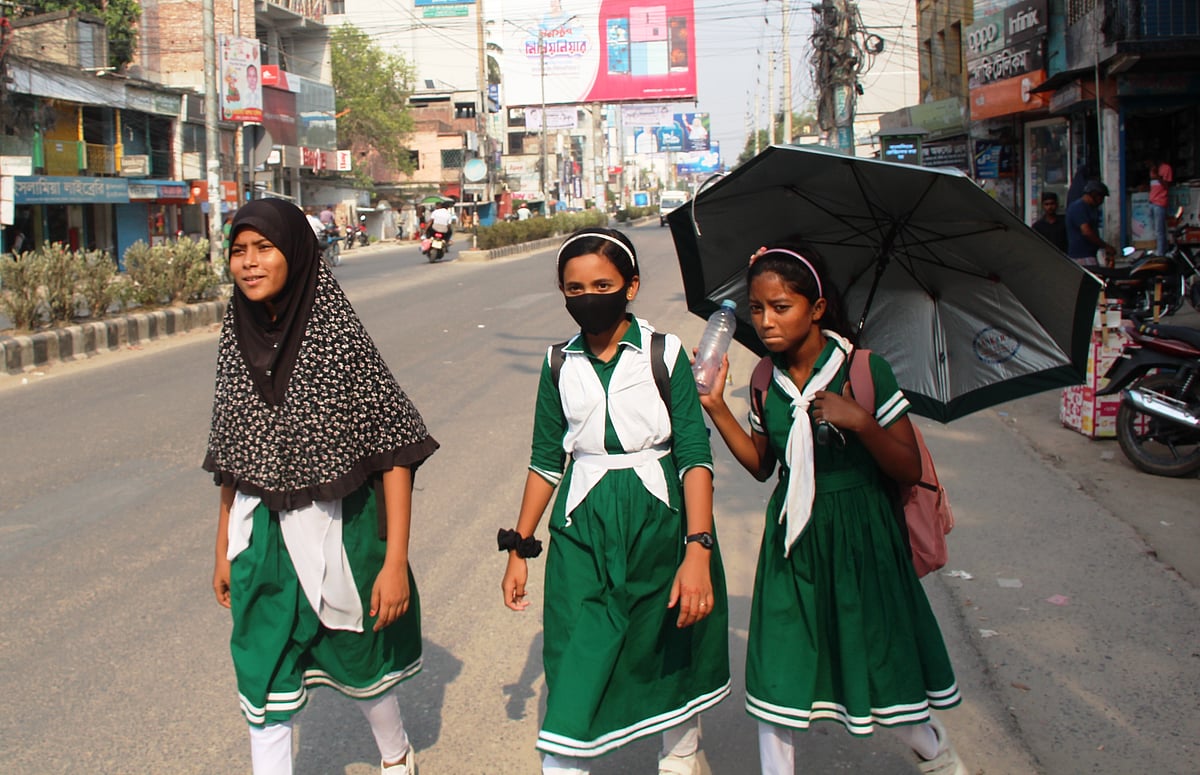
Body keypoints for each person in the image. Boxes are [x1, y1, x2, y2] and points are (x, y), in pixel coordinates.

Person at [697, 246, 967, 775]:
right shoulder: (762, 381)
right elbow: (760, 464)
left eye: (781, 307)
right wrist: (715, 407)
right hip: (792, 542)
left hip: (862, 536)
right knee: (778, 664)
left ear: (816, 309)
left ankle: (935, 752)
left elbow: (908, 469)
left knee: (878, 657)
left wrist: (861, 421)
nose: (766, 322)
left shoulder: (866, 371)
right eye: (756, 309)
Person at [205, 198, 439, 775]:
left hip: (339, 527)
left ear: (298, 254)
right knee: (261, 673)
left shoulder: (335, 332)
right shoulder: (234, 334)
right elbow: (233, 455)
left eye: (264, 249)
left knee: (359, 660)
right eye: (239, 251)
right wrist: (221, 548)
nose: (249, 264)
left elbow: (395, 451)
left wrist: (394, 562)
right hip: (260, 536)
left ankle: (396, 756)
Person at [500, 227, 730, 774]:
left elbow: (694, 455)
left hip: (660, 523)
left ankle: (679, 758)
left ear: (631, 286)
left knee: (663, 649)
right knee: (574, 652)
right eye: (574, 288)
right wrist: (520, 546)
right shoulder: (559, 363)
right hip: (582, 529)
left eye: (602, 284)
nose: (588, 297)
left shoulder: (662, 352)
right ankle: (563, 760)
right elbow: (545, 459)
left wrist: (697, 550)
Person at [1065, 180, 1117, 268]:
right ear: (1094, 195)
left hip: (1089, 254)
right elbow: (1087, 232)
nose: (1102, 201)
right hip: (1082, 256)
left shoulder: (1090, 209)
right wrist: (1105, 246)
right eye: (1101, 197)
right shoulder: (1079, 207)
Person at [1147, 157, 1174, 255]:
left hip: (1160, 202)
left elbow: (1166, 185)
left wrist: (1157, 176)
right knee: (1155, 229)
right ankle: (1160, 248)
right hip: (1152, 202)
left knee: (1160, 230)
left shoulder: (1166, 168)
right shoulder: (1152, 170)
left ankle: (1161, 252)